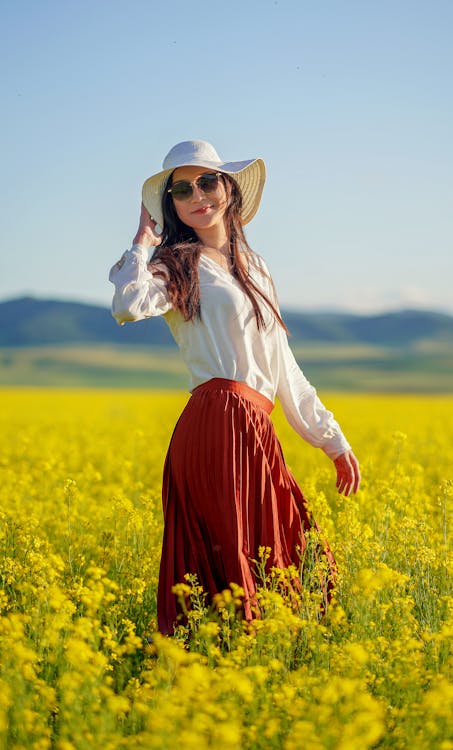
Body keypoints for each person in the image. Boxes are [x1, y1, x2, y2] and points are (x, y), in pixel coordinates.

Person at [109, 139, 360, 635]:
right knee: (231, 561)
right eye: (181, 189)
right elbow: (127, 304)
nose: (197, 195)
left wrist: (332, 440)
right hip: (214, 422)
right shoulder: (175, 263)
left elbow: (284, 369)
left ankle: (265, 673)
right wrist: (141, 242)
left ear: (228, 188)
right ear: (171, 206)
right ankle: (213, 677)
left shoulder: (257, 268)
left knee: (294, 555)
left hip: (255, 427)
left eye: (207, 181)